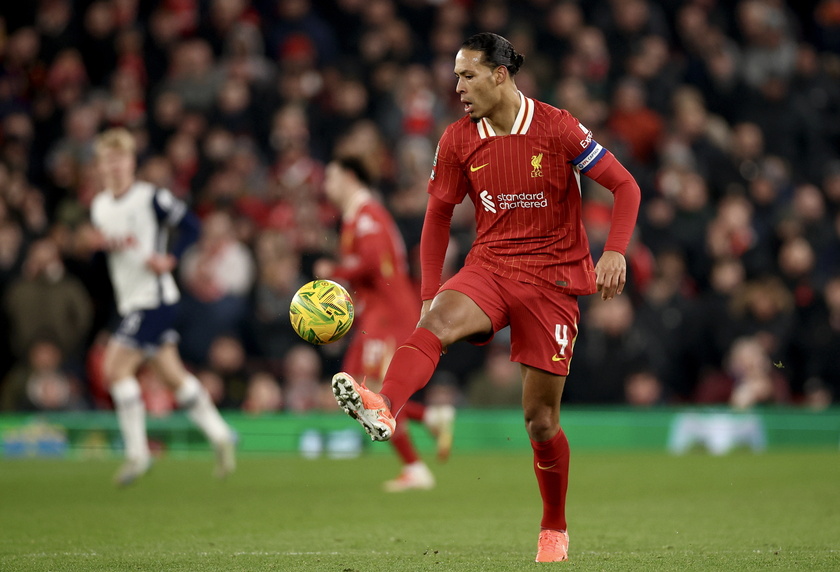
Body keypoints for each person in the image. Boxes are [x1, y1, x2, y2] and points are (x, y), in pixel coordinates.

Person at [330, 33, 640, 562]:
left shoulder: (558, 127)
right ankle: (386, 406)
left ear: (500, 75)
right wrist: (430, 294)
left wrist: (614, 251)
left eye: (467, 76)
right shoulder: (456, 140)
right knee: (435, 326)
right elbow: (437, 220)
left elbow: (626, 186)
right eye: (455, 77)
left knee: (540, 421)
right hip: (490, 268)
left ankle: (554, 526)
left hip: (554, 282)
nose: (458, 88)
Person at [89, 127, 237, 486]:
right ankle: (221, 435)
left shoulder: (150, 197)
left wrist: (171, 257)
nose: (115, 165)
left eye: (121, 158)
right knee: (173, 377)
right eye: (108, 159)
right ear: (100, 165)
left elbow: (191, 226)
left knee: (115, 368)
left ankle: (138, 455)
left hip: (155, 299)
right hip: (131, 302)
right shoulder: (100, 207)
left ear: (131, 162)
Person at [316, 156, 455, 492]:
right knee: (353, 386)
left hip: (391, 313)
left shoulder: (368, 215)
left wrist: (334, 272)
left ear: (350, 177)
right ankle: (429, 419)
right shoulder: (355, 218)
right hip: (376, 314)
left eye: (331, 177)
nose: (326, 185)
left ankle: (415, 466)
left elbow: (375, 261)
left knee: (370, 388)